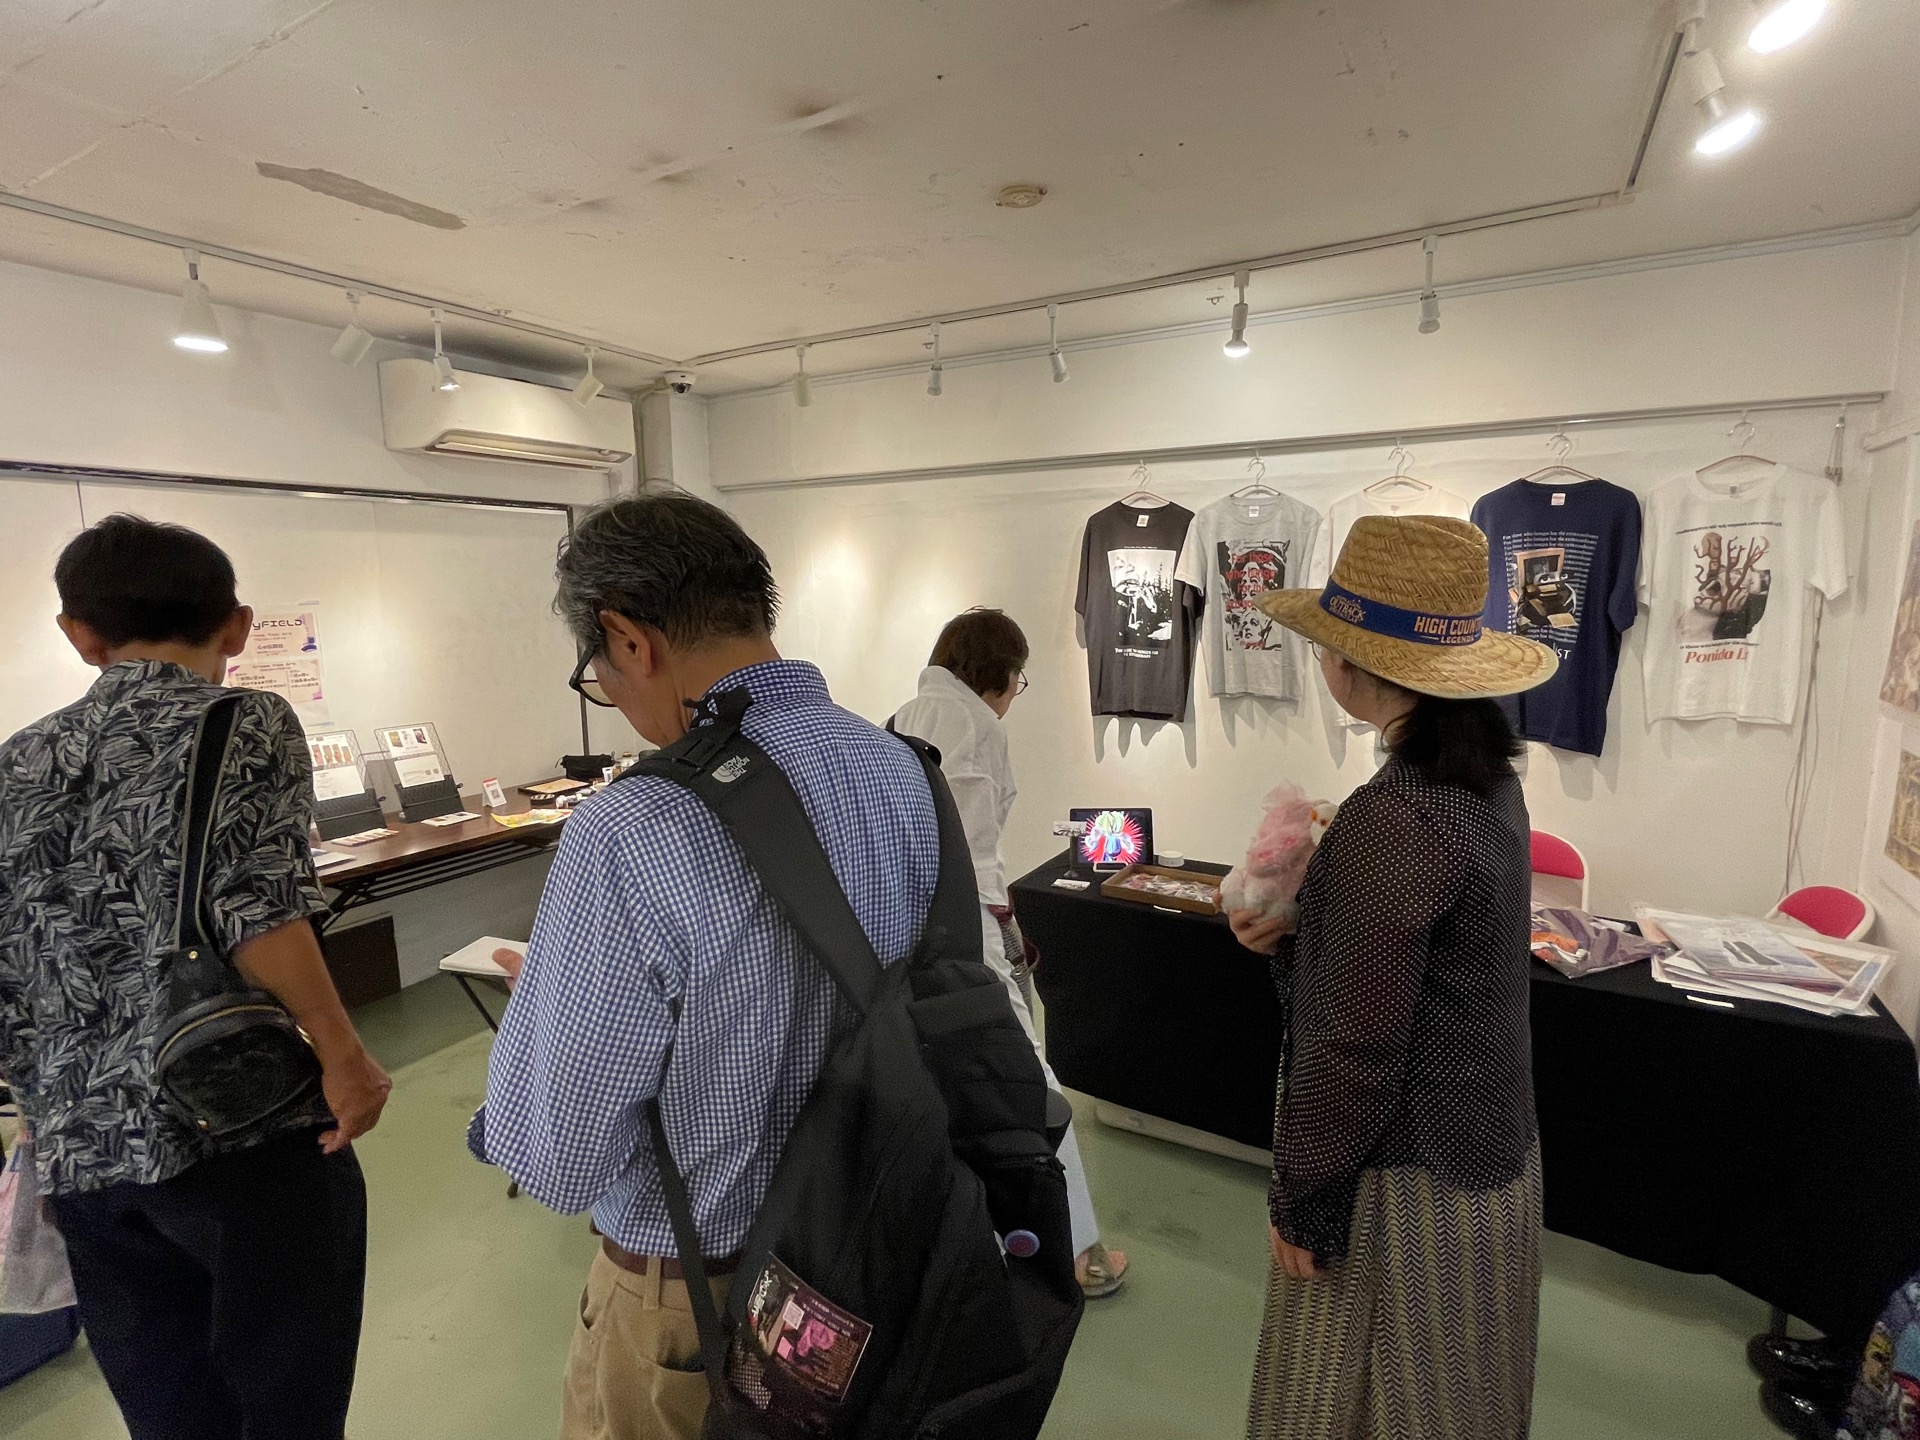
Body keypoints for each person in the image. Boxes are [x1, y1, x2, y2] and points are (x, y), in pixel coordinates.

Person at [470, 492, 940, 1440]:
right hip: (880, 1247)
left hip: (707, 1297)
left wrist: (554, 1008)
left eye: (599, 674)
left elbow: (559, 1156)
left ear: (627, 638)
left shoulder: (632, 826)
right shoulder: (899, 766)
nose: (613, 695)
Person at [0, 514, 390, 1440]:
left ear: (79, 636)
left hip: (83, 1149)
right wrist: (345, 1056)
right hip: (235, 1124)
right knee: (285, 1400)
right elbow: (258, 907)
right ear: (238, 625)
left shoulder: (18, 757)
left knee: (168, 1411)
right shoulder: (243, 720)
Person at [1231, 515, 1557, 1440]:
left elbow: (1354, 1044)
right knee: (1465, 1398)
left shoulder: (1398, 815)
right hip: (1489, 1146)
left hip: (1408, 1176)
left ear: (1348, 661)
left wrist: (1303, 1200)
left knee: (1376, 1400)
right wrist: (1307, 932)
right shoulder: (1488, 784)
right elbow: (1431, 960)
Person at [890, 607, 1130, 1299]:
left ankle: (972, 1243)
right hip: (966, 931)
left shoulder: (903, 716)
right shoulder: (976, 724)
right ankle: (1079, 1250)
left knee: (936, 1082)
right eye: (1018, 681)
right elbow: (969, 850)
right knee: (1026, 1075)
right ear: (1001, 673)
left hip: (906, 932)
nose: (1015, 696)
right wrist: (1003, 926)